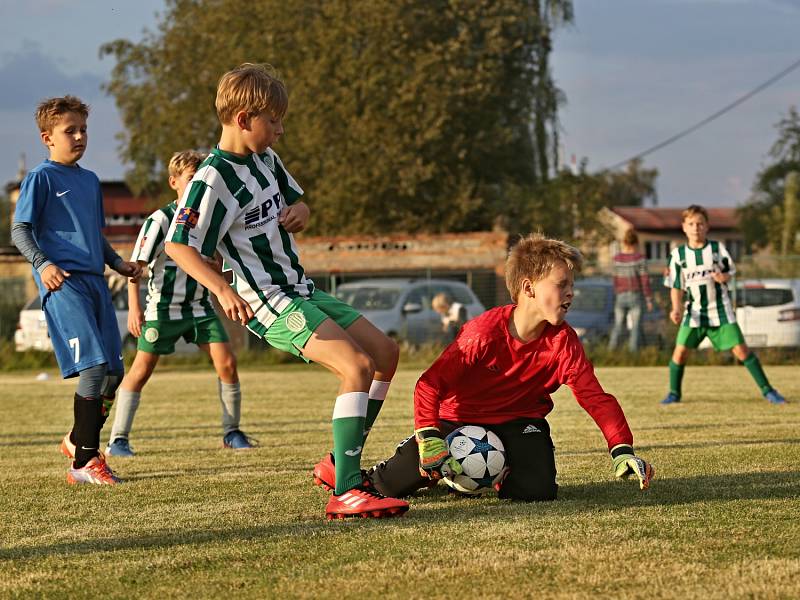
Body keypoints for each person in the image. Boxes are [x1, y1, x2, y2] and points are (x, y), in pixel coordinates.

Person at [164, 63, 408, 520]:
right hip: (270, 303)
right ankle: (349, 490)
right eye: (272, 121)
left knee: (386, 354)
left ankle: (339, 464)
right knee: (354, 366)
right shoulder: (211, 179)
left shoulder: (265, 160)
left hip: (301, 288)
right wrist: (222, 289)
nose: (279, 130)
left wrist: (302, 211)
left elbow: (298, 202)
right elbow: (179, 245)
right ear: (242, 119)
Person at [313, 234, 655, 501]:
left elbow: (594, 397)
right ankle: (350, 471)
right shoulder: (481, 333)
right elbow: (429, 385)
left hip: (521, 422)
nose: (571, 293)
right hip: (457, 418)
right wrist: (429, 433)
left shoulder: (563, 341)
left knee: (539, 491)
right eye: (562, 284)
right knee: (386, 486)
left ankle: (479, 478)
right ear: (528, 288)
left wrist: (621, 449)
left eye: (572, 285)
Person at [11, 95, 142, 485]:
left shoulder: (88, 180)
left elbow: (93, 235)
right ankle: (84, 462)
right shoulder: (41, 178)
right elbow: (20, 230)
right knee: (94, 367)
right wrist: (43, 263)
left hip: (96, 281)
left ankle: (76, 439)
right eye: (70, 131)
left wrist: (118, 263)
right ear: (47, 137)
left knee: (115, 373)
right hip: (63, 281)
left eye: (83, 129)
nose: (80, 136)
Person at [106, 150, 266, 457]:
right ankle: (118, 439)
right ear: (174, 182)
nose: (198, 187)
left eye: (202, 180)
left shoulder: (207, 219)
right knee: (141, 370)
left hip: (201, 308)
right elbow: (135, 268)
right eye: (192, 179)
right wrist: (135, 309)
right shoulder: (160, 220)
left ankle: (232, 432)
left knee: (228, 364)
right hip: (163, 309)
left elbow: (217, 262)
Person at [660, 205, 786, 405]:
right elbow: (676, 286)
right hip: (693, 312)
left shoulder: (717, 249)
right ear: (684, 227)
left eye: (700, 223)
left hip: (720, 310)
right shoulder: (678, 255)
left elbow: (731, 271)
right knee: (680, 352)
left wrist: (723, 277)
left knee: (741, 350)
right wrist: (675, 308)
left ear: (707, 226)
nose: (696, 228)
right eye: (691, 224)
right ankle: (674, 394)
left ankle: (768, 391)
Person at [608, 229, 653, 353]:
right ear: (636, 243)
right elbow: (645, 281)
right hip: (635, 296)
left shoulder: (616, 259)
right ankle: (633, 355)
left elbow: (615, 280)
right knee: (635, 327)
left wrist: (616, 294)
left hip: (620, 296)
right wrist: (649, 299)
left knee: (617, 326)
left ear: (624, 242)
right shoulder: (640, 259)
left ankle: (611, 352)